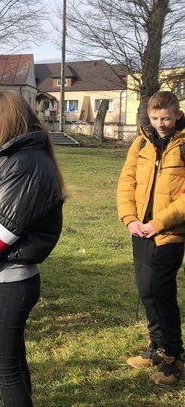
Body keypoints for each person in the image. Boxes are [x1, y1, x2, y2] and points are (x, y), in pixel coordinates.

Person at [0, 90, 65, 406]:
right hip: (6, 276)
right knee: (13, 364)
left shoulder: (26, 163)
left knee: (3, 368)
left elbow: (2, 228)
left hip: (10, 279)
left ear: (8, 119)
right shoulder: (17, 156)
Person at [117, 90, 185, 385]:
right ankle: (157, 347)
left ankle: (175, 358)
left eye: (166, 118)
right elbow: (126, 181)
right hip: (140, 231)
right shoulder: (141, 142)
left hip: (170, 234)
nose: (160, 124)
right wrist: (130, 218)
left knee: (162, 292)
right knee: (146, 290)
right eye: (155, 118)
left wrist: (158, 223)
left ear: (178, 115)